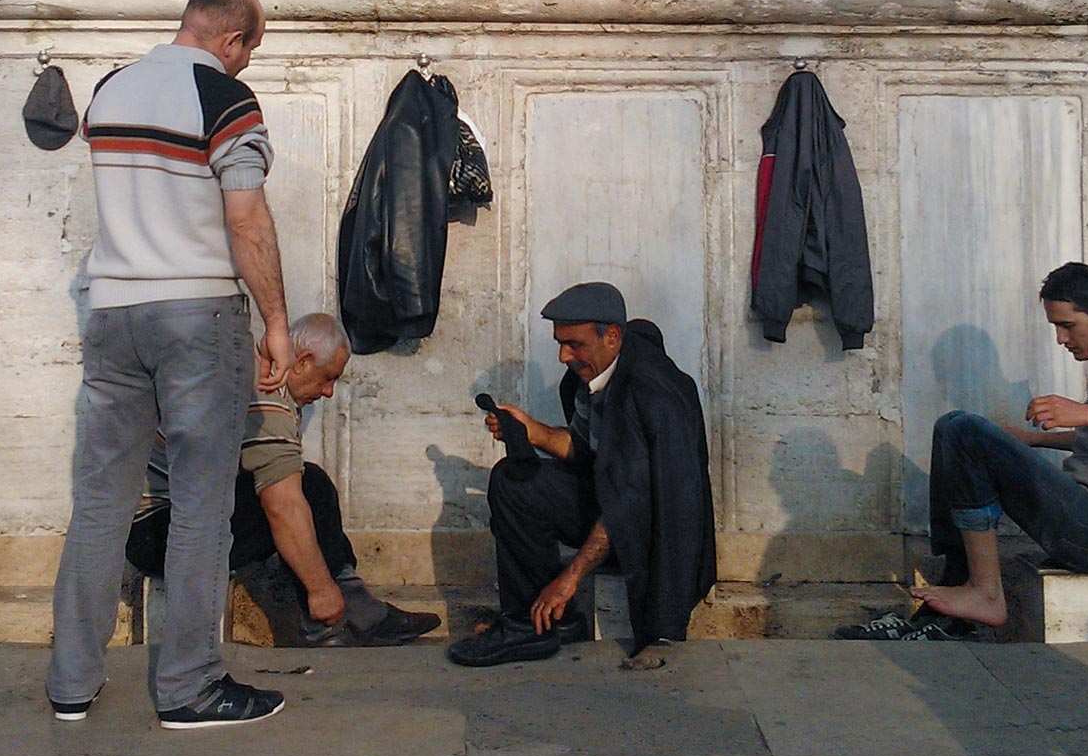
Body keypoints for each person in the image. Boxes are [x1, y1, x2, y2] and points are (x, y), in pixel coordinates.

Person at [48, 0, 295, 730]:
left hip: (113, 310)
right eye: (249, 52)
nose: (245, 66)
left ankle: (71, 683)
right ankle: (189, 687)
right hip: (195, 313)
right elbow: (246, 218)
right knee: (200, 505)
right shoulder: (223, 99)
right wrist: (277, 321)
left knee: (99, 502)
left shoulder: (111, 90)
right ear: (234, 40)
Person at [839, 262, 1088, 640]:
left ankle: (986, 594)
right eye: (1055, 327)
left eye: (1068, 325)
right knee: (955, 428)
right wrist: (1032, 440)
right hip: (1084, 520)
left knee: (963, 429)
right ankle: (954, 592)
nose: (1061, 338)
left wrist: (1086, 413)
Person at [125, 312, 441, 649]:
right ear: (303, 361)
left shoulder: (256, 373)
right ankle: (336, 617)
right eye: (327, 378)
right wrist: (320, 590)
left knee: (306, 485)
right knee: (296, 496)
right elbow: (282, 506)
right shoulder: (265, 397)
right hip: (159, 533)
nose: (330, 392)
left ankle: (354, 604)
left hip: (173, 520)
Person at [448, 282, 715, 673]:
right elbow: (588, 451)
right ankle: (532, 623)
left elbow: (631, 498)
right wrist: (531, 431)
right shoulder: (598, 374)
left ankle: (642, 629)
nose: (563, 356)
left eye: (574, 344)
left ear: (612, 336)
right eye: (559, 343)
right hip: (618, 501)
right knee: (514, 481)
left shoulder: (649, 393)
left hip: (657, 530)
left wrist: (569, 577)